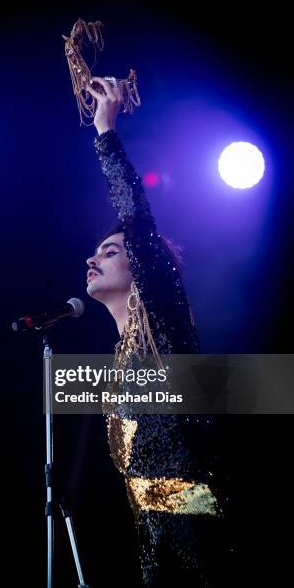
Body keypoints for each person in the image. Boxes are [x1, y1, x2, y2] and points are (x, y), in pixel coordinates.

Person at [84, 77, 231, 587]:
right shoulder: (122, 356)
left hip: (199, 529)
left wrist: (105, 130)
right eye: (97, 250)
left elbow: (138, 223)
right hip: (152, 540)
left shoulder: (163, 327)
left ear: (144, 267)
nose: (93, 257)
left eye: (111, 251)